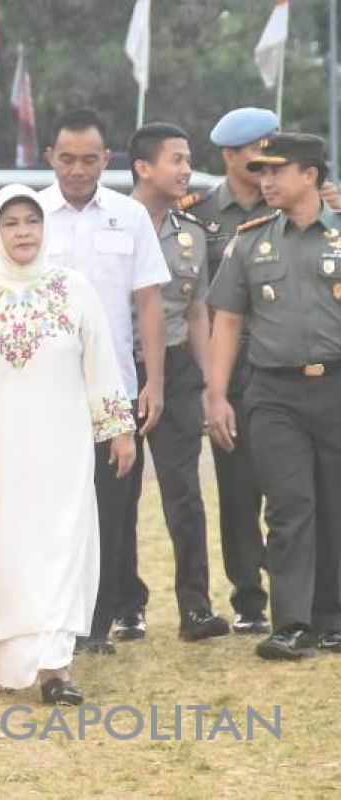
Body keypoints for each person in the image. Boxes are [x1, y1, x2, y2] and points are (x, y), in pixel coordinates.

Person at [0, 185, 135, 704]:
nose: (22, 233)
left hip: (59, 448)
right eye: (11, 223)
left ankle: (54, 669)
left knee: (57, 544)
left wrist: (118, 427)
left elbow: (101, 361)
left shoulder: (72, 289)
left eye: (31, 222)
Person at [38, 108, 169, 655]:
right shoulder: (29, 215)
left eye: (88, 159)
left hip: (113, 388)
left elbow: (148, 304)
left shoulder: (129, 216)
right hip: (43, 388)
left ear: (106, 160)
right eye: (66, 158)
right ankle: (50, 617)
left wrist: (153, 381)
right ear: (50, 157)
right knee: (50, 505)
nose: (76, 169)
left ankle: (97, 623)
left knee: (112, 504)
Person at [206, 133, 341, 661]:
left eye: (277, 171)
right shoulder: (251, 239)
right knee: (289, 507)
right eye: (261, 172)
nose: (265, 181)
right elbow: (229, 319)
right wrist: (216, 393)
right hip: (273, 393)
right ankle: (291, 623)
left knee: (334, 503)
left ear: (310, 175)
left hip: (336, 384)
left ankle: (333, 618)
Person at [116, 123, 230, 643]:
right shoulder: (110, 225)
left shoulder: (192, 234)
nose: (187, 169)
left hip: (180, 369)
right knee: (118, 492)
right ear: (143, 167)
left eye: (188, 159)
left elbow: (200, 310)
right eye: (177, 160)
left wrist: (210, 385)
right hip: (119, 369)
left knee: (184, 491)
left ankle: (196, 608)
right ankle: (125, 604)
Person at [182, 107, 279, 635]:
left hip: (279, 364)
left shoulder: (290, 202)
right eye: (257, 152)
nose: (267, 163)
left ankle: (295, 586)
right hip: (226, 368)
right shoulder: (198, 211)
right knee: (238, 489)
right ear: (230, 156)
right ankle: (248, 595)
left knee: (291, 485)